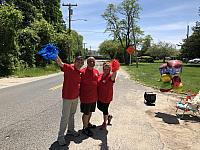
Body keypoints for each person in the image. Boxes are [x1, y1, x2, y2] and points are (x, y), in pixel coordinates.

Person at [55, 56, 84, 146]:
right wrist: (55, 54)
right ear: (74, 62)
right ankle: (60, 136)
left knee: (72, 115)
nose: (79, 63)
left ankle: (70, 130)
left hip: (75, 97)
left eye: (81, 62)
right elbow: (60, 63)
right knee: (65, 117)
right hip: (67, 97)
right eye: (78, 61)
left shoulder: (79, 72)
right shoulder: (68, 68)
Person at [79, 57, 99, 137]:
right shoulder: (82, 72)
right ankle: (85, 128)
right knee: (86, 113)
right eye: (90, 61)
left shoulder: (96, 71)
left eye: (93, 61)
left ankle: (88, 123)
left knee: (90, 112)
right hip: (85, 97)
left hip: (94, 97)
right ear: (87, 62)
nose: (92, 63)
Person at [97, 61, 118, 130]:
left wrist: (115, 69)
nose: (106, 70)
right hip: (99, 95)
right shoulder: (100, 75)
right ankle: (108, 116)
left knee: (105, 109)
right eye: (104, 69)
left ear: (110, 70)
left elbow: (114, 75)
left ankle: (104, 123)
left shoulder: (110, 76)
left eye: (107, 69)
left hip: (107, 96)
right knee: (99, 107)